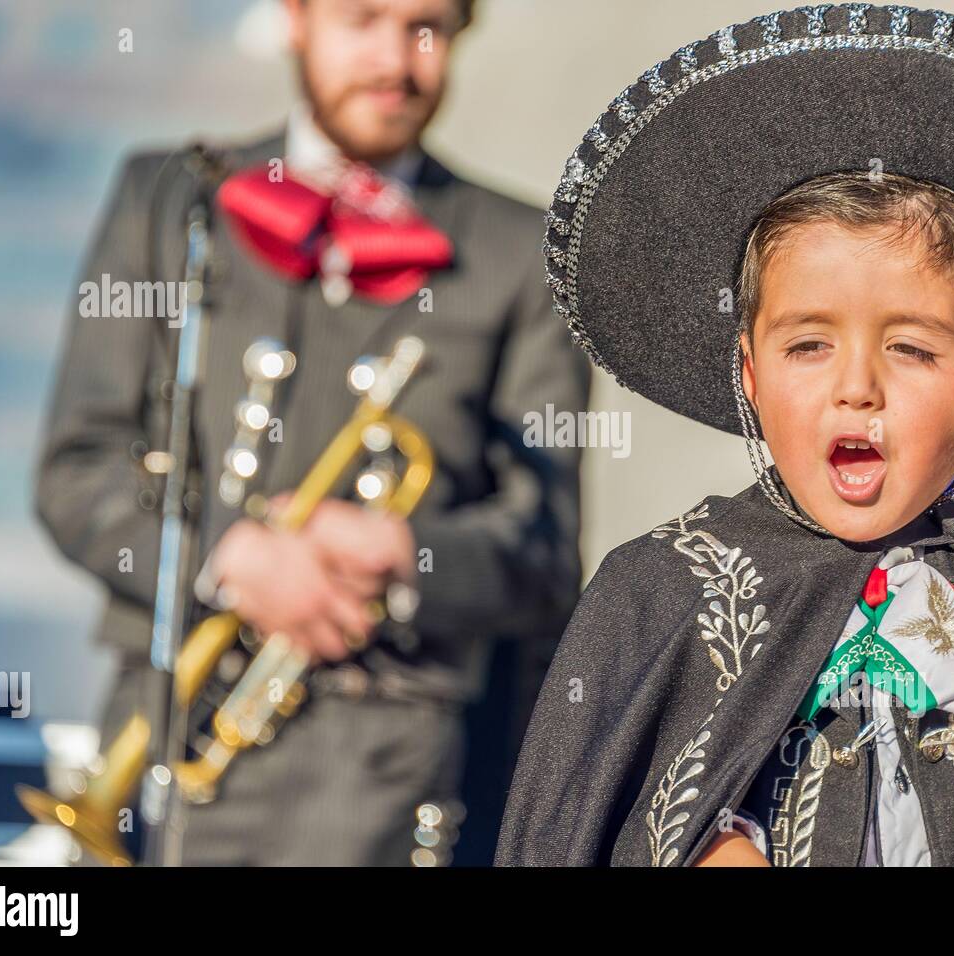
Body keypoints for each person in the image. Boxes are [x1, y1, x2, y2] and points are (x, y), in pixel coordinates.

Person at [494, 4, 954, 866]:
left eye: (911, 349)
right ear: (752, 377)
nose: (856, 389)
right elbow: (560, 835)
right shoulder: (659, 592)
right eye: (809, 344)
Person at [36, 0, 590, 865]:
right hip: (166, 758)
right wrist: (234, 559)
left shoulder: (522, 252)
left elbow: (547, 553)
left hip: (389, 778)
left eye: (427, 29)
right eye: (363, 18)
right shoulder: (173, 199)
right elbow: (75, 474)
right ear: (293, 17)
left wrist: (403, 554)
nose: (396, 61)